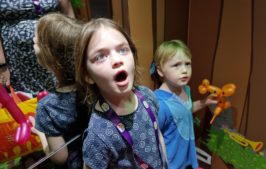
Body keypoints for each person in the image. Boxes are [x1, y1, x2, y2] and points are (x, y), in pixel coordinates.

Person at [74, 18, 168, 169]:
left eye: (122, 50)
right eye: (100, 56)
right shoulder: (98, 135)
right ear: (87, 75)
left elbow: (157, 136)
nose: (117, 60)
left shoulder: (148, 96)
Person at [32, 13, 89, 169]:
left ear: (49, 58)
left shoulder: (47, 107)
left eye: (36, 41)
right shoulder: (95, 87)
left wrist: (41, 133)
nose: (33, 42)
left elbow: (59, 157)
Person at [150, 40, 217, 169]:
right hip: (171, 161)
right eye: (176, 65)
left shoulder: (186, 89)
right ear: (160, 70)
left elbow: (185, 110)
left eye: (188, 64)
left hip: (187, 154)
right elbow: (154, 137)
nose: (185, 70)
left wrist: (204, 102)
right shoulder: (160, 103)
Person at [0, 0, 75, 94]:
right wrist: (2, 65)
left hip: (54, 53)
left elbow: (69, 17)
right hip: (16, 60)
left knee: (61, 94)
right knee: (26, 101)